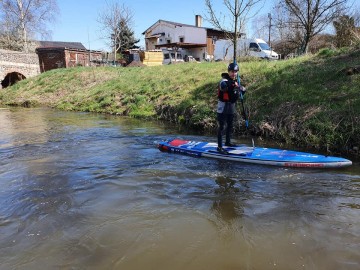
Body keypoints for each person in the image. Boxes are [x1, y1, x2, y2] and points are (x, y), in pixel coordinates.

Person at [216, 62, 246, 154]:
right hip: (223, 106)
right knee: (222, 127)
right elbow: (224, 87)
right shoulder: (224, 81)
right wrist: (234, 86)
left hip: (231, 106)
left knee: (230, 125)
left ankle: (228, 142)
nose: (234, 73)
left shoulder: (235, 82)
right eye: (232, 71)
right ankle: (219, 147)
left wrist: (242, 89)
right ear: (228, 72)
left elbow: (238, 93)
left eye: (235, 71)